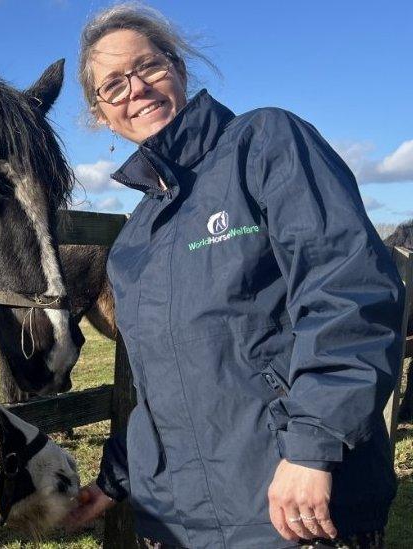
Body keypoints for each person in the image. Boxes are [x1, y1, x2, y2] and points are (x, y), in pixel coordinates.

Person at [64, 4, 406, 548]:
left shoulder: (266, 143)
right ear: (100, 114)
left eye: (148, 66)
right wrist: (114, 481)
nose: (137, 89)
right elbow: (156, 387)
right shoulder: (134, 241)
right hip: (173, 525)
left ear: (177, 68)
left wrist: (312, 449)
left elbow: (348, 292)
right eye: (113, 85)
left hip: (292, 508)